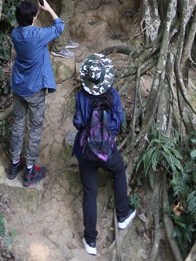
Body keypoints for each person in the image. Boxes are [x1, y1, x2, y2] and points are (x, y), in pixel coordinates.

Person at [72, 53, 136, 255]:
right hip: (107, 150)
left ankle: (90, 241)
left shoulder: (81, 96)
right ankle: (123, 215)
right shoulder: (113, 94)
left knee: (89, 192)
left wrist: (90, 129)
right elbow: (119, 120)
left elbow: (78, 123)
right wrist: (108, 134)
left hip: (86, 151)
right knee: (118, 170)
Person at [7, 0, 64, 186]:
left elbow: (27, 23)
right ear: (33, 17)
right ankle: (30, 170)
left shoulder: (15, 33)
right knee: (35, 128)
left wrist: (35, 13)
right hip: (35, 89)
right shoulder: (38, 35)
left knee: (18, 123)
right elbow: (59, 26)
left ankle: (15, 164)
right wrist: (47, 9)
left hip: (19, 86)